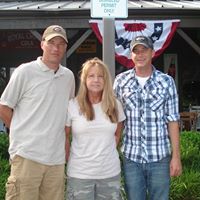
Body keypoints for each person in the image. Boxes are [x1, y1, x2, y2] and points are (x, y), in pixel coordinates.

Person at [0, 25, 75, 200]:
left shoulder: (68, 77)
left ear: (65, 47)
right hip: (27, 156)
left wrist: (65, 144)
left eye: (61, 44)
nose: (56, 48)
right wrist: (20, 131)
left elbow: (66, 114)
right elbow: (4, 106)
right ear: (42, 44)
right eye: (51, 43)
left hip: (56, 160)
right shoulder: (25, 71)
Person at [113, 35, 182, 200]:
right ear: (131, 55)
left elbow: (172, 121)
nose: (140, 54)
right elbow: (116, 121)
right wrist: (111, 150)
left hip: (160, 158)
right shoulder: (120, 82)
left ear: (153, 53)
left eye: (144, 50)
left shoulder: (166, 82)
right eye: (136, 51)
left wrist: (176, 157)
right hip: (131, 158)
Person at [65, 57, 125, 200]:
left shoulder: (115, 105)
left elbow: (117, 134)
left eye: (100, 76)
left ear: (106, 80)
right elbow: (65, 137)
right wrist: (70, 160)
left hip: (109, 174)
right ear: (84, 80)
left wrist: (103, 153)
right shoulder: (72, 105)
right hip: (80, 175)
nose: (96, 80)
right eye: (91, 76)